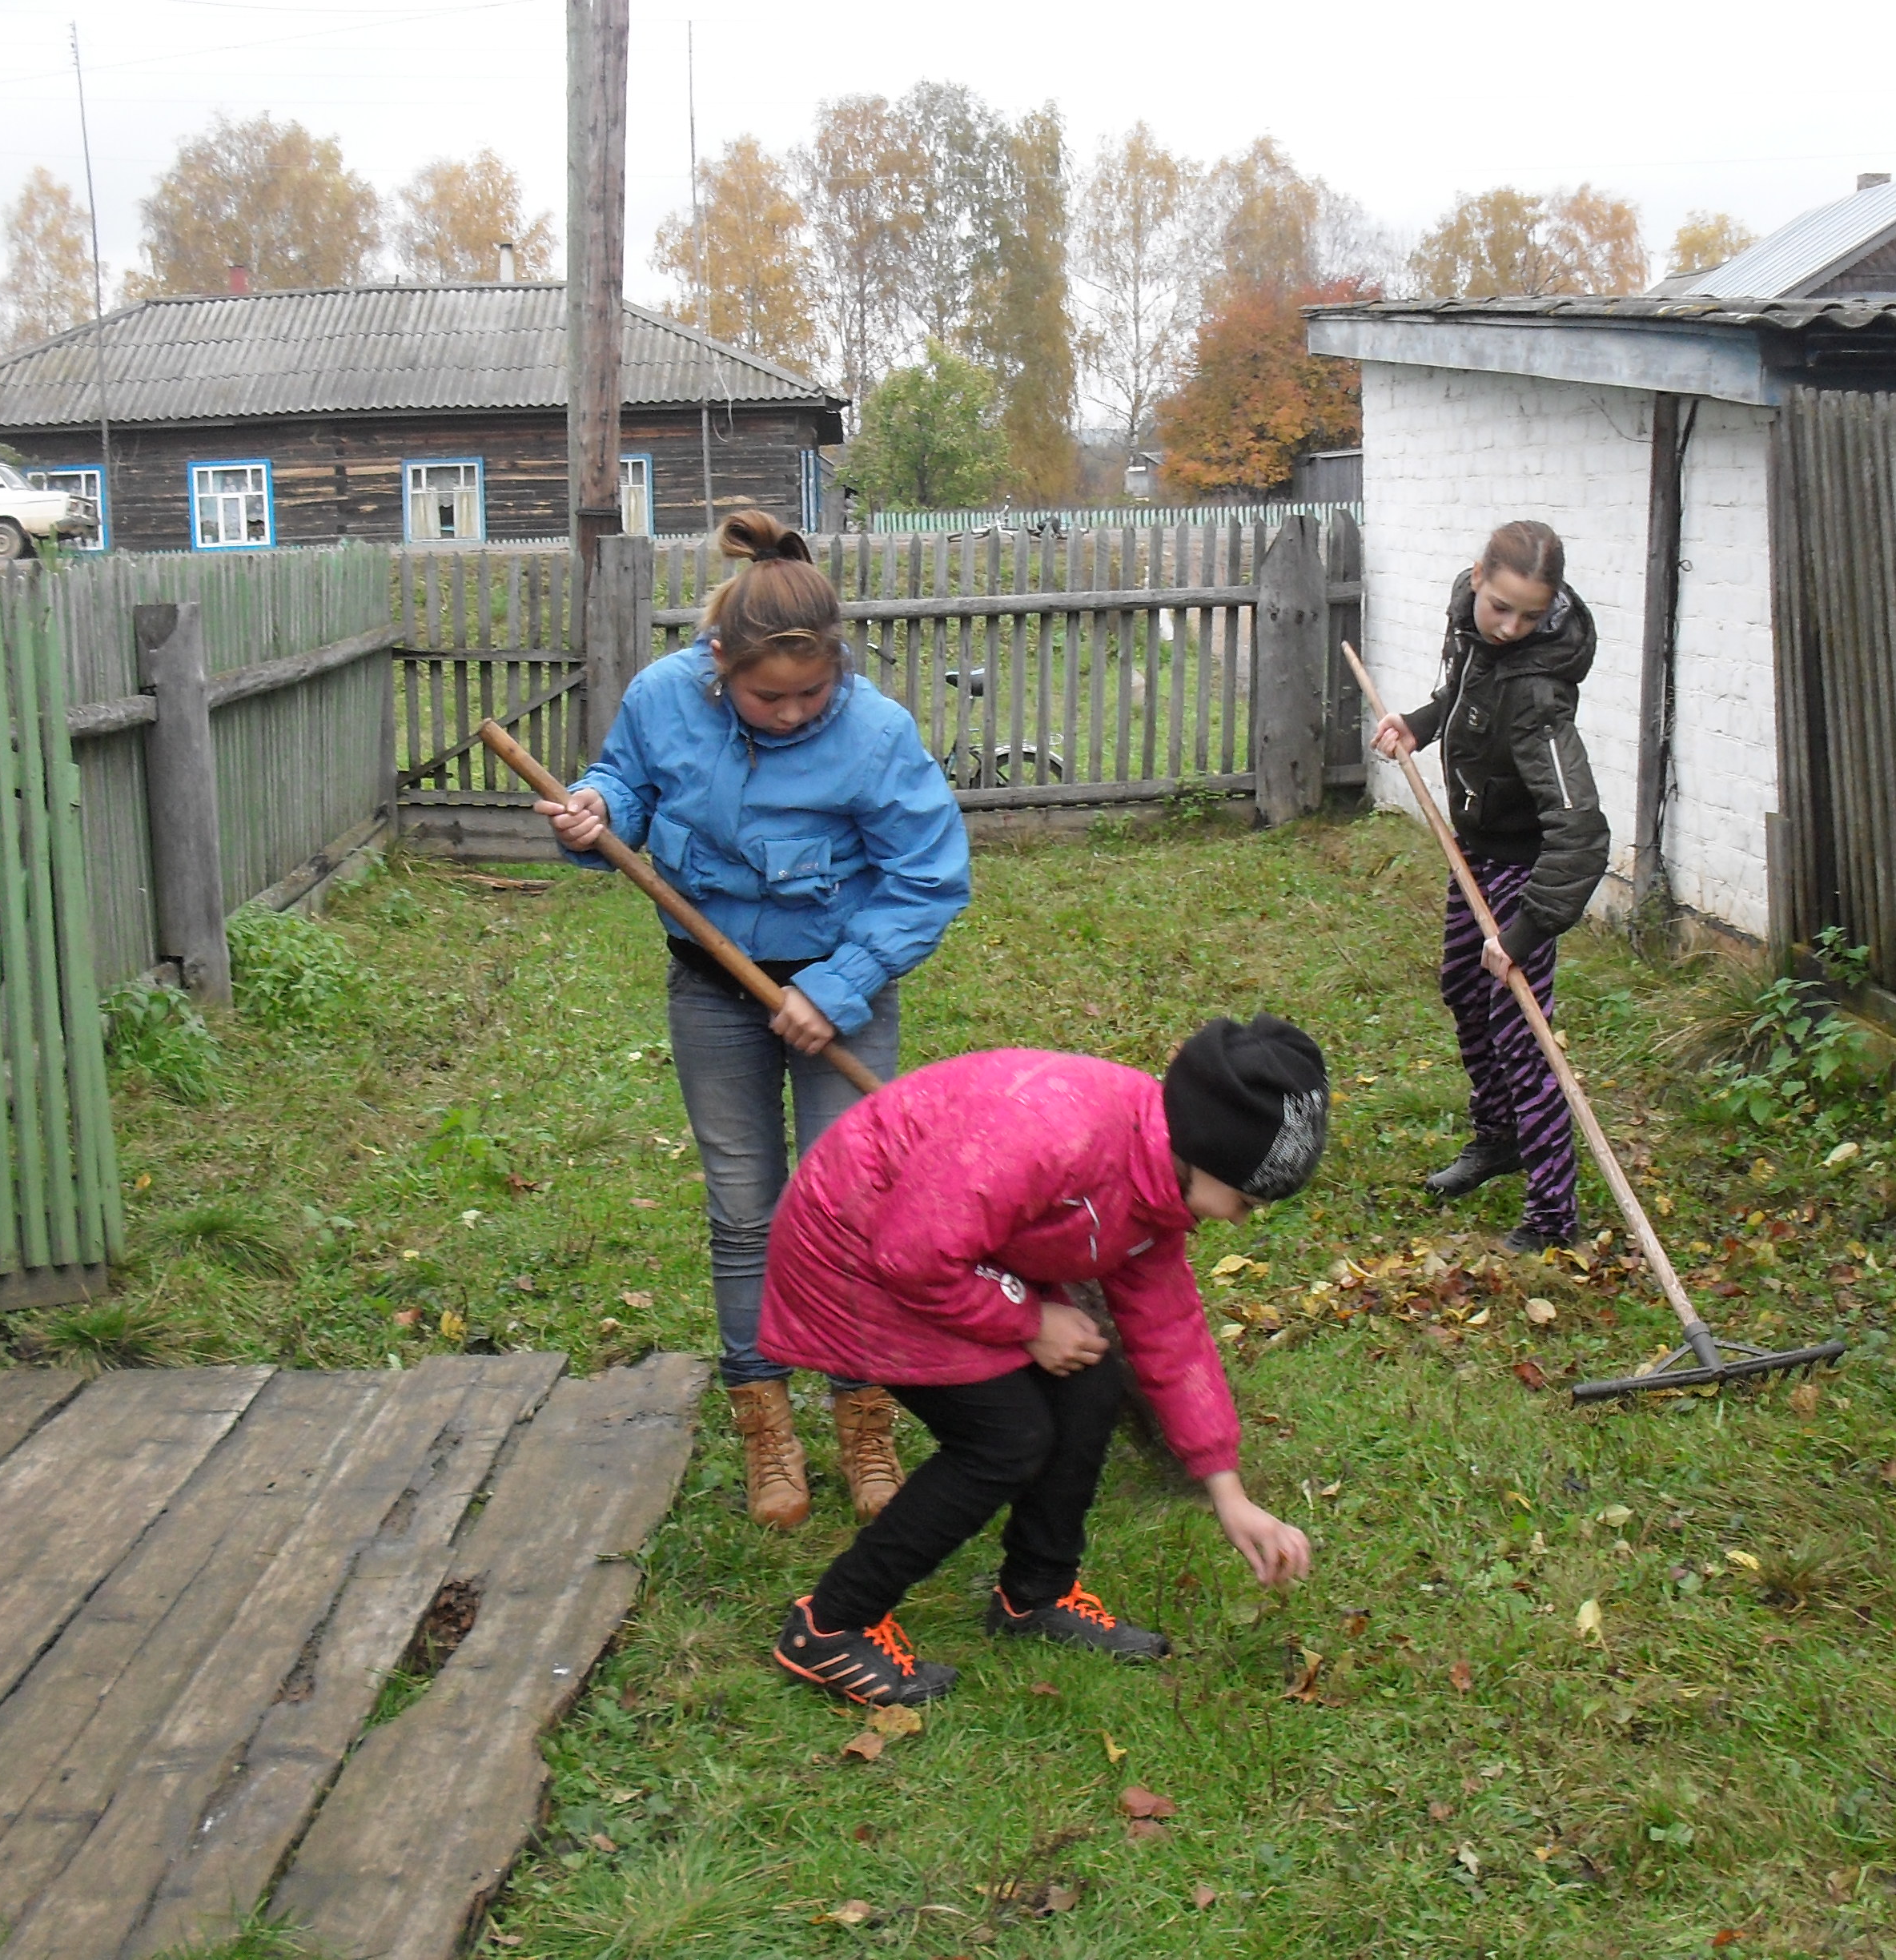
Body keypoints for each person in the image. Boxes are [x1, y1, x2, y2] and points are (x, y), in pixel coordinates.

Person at [540, 508, 970, 1532]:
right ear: (716, 663)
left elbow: (927, 876)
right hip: (714, 988)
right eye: (765, 696)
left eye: (810, 693)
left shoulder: (875, 732)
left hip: (838, 998)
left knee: (848, 1211)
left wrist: (840, 984)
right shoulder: (662, 699)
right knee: (745, 1212)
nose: (788, 714)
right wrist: (595, 811)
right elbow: (627, 786)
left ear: (839, 666)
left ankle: (862, 1418)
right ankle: (764, 1421)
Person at [757, 1016, 1328, 1706]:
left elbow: (1170, 1330)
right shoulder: (1056, 1132)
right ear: (1207, 1151)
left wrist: (1228, 1493)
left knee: (1088, 1380)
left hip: (957, 1255)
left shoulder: (1160, 1178)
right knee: (1004, 1438)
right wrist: (1028, 1321)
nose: (1241, 1220)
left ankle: (1036, 1595)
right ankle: (830, 1623)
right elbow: (913, 1256)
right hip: (856, 1249)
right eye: (1245, 1201)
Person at [1370, 520, 1609, 1254]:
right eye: (1500, 606)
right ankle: (1499, 1139)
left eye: (1531, 617)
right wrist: (1417, 723)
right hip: (1472, 854)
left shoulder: (1540, 694)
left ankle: (1552, 1217)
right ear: (1478, 577)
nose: (1510, 628)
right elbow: (1465, 694)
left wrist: (1524, 934)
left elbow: (1581, 833)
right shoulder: (1468, 626)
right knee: (1462, 990)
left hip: (1522, 870)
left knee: (1521, 1031)